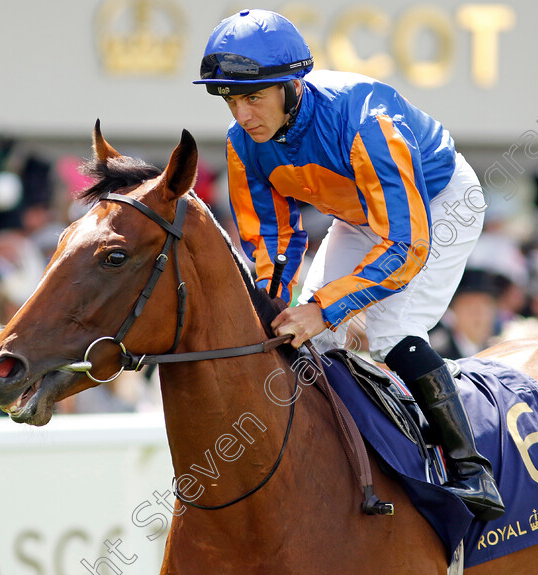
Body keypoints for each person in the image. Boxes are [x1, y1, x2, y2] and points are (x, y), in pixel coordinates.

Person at [195, 9, 503, 520]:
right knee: (308, 338)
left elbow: (405, 245)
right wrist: (278, 308)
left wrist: (323, 305)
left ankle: (470, 468)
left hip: (438, 204)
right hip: (359, 214)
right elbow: (272, 238)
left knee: (388, 327)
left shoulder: (366, 118)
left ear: (292, 86)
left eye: (253, 97)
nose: (242, 114)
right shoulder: (241, 144)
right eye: (231, 100)